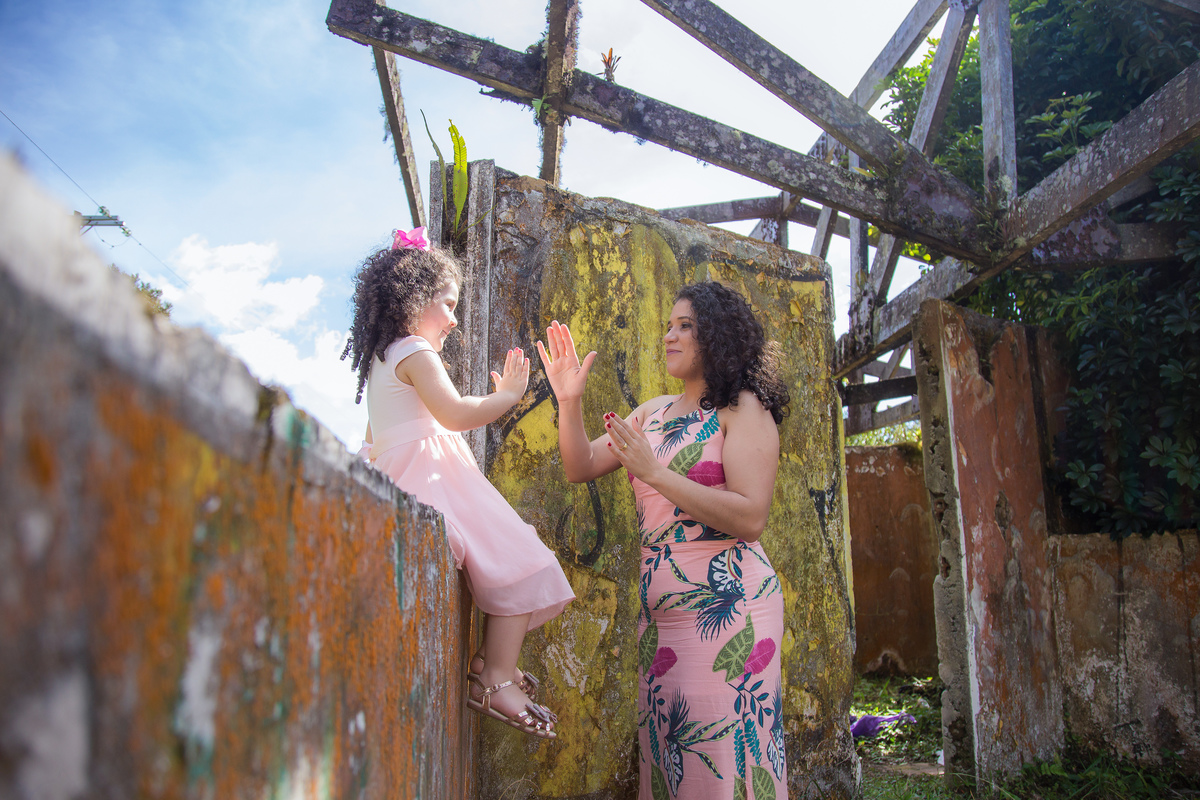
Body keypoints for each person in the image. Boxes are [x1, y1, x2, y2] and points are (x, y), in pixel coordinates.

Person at [537, 281, 790, 797]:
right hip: (661, 619)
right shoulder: (651, 413)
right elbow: (580, 465)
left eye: (685, 326)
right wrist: (569, 400)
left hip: (730, 608)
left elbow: (750, 517)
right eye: (668, 326)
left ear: (716, 335)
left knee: (726, 760)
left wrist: (655, 472)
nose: (669, 336)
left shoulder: (742, 409)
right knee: (672, 757)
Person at [343, 226, 575, 740]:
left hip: (411, 477)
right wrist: (507, 396)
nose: (453, 319)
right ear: (413, 298)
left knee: (510, 553)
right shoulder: (414, 351)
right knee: (521, 553)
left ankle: (494, 662)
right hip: (434, 478)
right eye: (447, 305)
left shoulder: (384, 359)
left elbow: (373, 440)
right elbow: (453, 413)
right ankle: (494, 676)